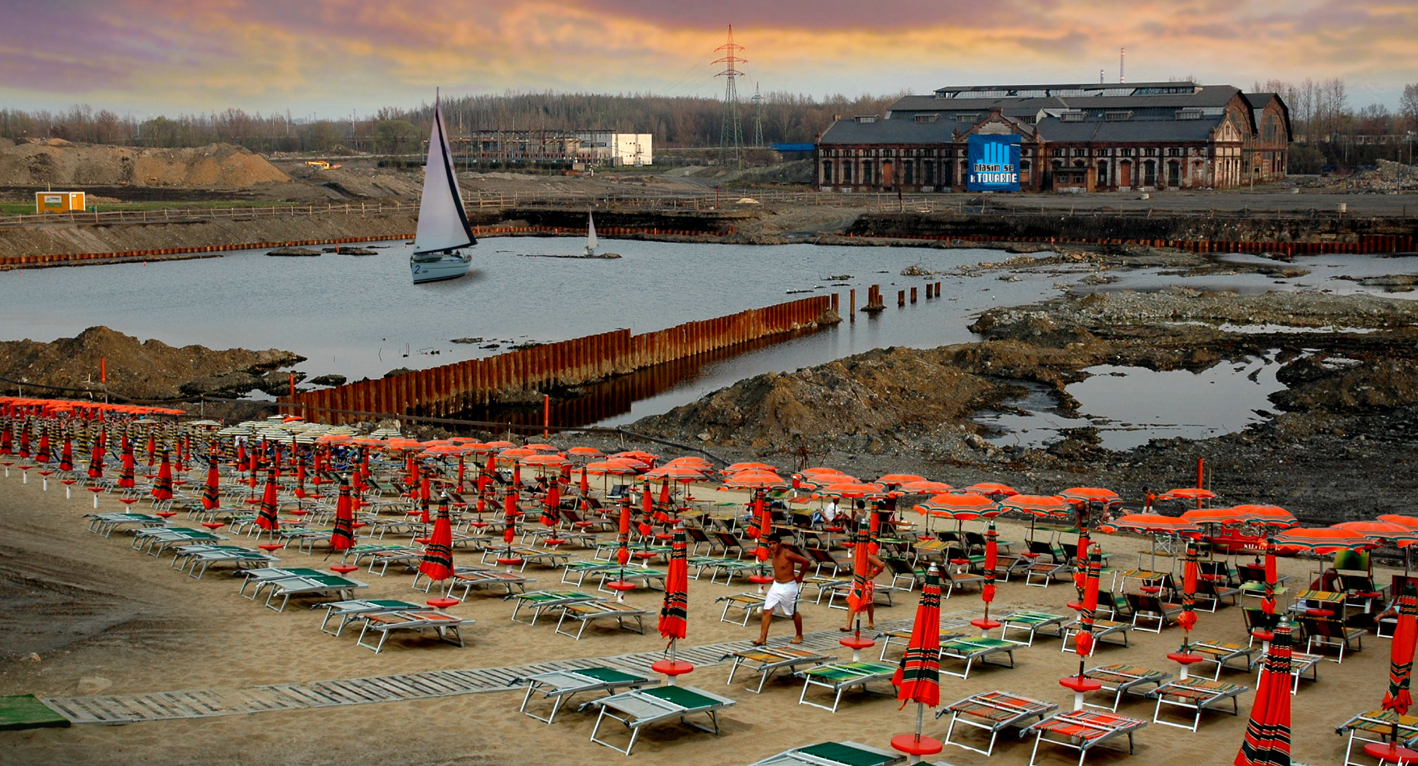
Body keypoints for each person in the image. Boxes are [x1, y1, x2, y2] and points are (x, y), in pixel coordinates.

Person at [754, 530, 810, 646]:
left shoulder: (787, 554)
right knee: (767, 611)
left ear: (779, 543)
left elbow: (805, 562)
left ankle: (799, 634)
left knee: (793, 613)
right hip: (776, 586)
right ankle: (762, 639)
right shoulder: (773, 554)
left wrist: (800, 576)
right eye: (770, 544)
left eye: (774, 543)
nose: (772, 546)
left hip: (789, 587)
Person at [841, 544, 886, 632]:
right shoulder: (856, 555)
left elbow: (881, 565)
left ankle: (871, 621)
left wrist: (874, 574)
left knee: (869, 602)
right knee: (852, 601)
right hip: (856, 580)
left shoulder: (867, 555)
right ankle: (848, 625)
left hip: (866, 581)